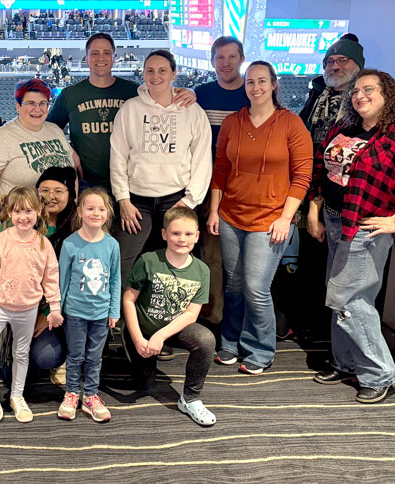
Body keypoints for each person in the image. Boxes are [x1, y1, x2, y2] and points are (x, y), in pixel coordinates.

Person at [207, 61, 312, 375]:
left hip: (270, 221)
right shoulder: (233, 122)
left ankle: (260, 349)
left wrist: (285, 217)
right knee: (234, 286)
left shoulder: (291, 123)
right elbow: (220, 170)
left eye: (262, 81)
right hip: (230, 216)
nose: (255, 87)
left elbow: (303, 175)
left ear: (274, 84)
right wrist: (214, 209)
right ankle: (230, 342)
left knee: (256, 287)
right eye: (250, 82)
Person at [308, 69, 395, 403]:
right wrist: (315, 208)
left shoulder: (391, 136)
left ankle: (380, 373)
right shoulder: (344, 128)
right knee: (341, 298)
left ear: (387, 94)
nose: (360, 95)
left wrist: (393, 222)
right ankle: (346, 362)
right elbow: (323, 170)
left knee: (349, 301)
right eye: (356, 90)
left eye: (368, 89)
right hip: (334, 221)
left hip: (366, 229)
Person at [110, 49, 212, 287]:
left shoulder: (192, 111)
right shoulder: (130, 109)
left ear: (174, 74)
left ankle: (173, 319)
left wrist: (189, 201)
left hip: (176, 198)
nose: (156, 76)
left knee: (176, 261)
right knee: (126, 261)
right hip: (136, 200)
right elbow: (118, 156)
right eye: (150, 71)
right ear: (143, 74)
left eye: (162, 70)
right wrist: (123, 199)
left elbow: (202, 160)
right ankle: (119, 319)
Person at [48, 33, 195, 193]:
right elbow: (48, 129)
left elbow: (163, 97)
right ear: (87, 58)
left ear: (114, 57)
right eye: (95, 53)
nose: (101, 58)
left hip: (130, 182)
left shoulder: (134, 91)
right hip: (88, 183)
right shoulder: (70, 95)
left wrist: (190, 92)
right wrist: (68, 150)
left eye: (107, 53)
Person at [0, 187, 63, 424]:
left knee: (21, 353)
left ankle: (16, 395)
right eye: (17, 211)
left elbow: (51, 278)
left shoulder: (44, 244)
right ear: (9, 213)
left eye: (29, 211)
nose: (23, 217)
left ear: (38, 211)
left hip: (29, 309)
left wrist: (54, 308)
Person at [297, 34, 365, 340]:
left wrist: (318, 202)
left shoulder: (362, 100)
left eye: (342, 61)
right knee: (312, 261)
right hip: (311, 187)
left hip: (342, 198)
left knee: (341, 273)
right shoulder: (318, 94)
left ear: (357, 65)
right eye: (330, 61)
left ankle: (334, 331)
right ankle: (311, 323)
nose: (335, 66)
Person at [123, 206, 216, 426]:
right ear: (165, 234)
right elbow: (128, 299)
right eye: (175, 233)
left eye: (188, 234)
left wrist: (161, 337)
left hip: (172, 329)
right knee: (144, 383)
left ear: (197, 236)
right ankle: (140, 358)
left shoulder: (202, 270)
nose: (181, 239)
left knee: (206, 340)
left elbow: (192, 314)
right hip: (142, 330)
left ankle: (191, 398)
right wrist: (139, 339)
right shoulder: (148, 261)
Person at [193, 36, 250, 324]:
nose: (225, 63)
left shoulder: (253, 95)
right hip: (206, 186)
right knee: (211, 254)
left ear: (242, 59)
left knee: (242, 259)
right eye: (220, 58)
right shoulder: (200, 94)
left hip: (242, 188)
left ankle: (238, 318)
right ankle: (214, 316)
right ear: (212, 61)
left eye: (231, 57)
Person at [0, 78, 75, 237]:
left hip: (60, 224)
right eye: (30, 103)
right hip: (21, 225)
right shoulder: (1, 137)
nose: (37, 109)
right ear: (18, 106)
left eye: (42, 103)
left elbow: (71, 173)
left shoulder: (55, 131)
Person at [57, 187, 120, 422]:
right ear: (80, 211)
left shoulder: (112, 245)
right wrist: (57, 310)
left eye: (101, 209)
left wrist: (114, 311)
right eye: (90, 208)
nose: (96, 213)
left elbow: (115, 279)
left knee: (95, 357)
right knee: (74, 356)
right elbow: (62, 280)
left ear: (108, 213)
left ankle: (91, 395)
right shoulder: (70, 244)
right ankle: (72, 392)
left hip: (101, 314)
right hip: (74, 313)